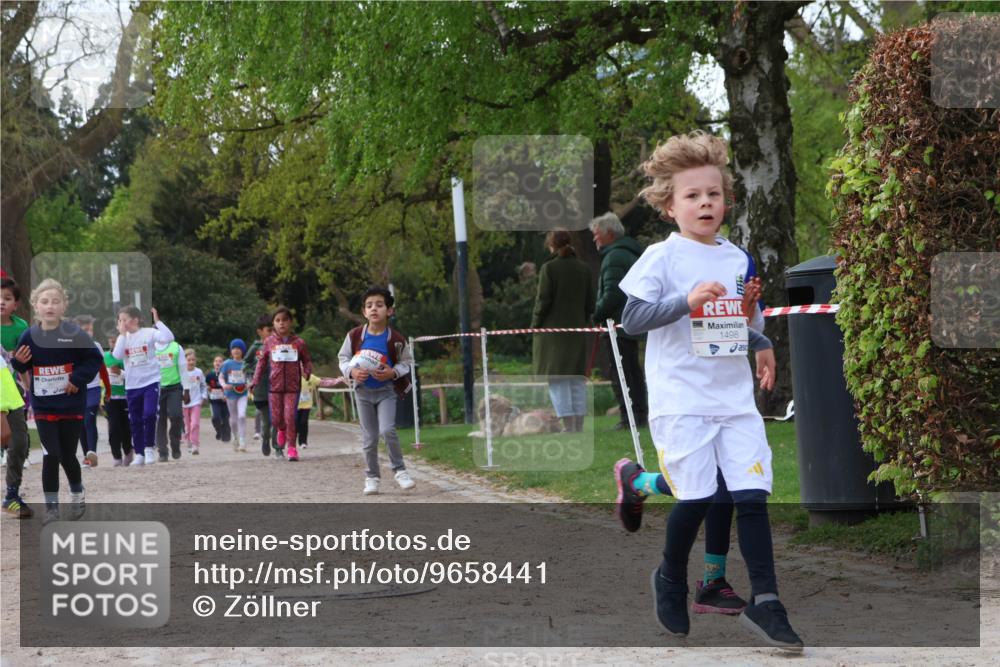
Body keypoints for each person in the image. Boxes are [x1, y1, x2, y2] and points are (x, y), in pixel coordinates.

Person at [613, 131, 802, 651]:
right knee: (695, 497)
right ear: (670, 206)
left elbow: (739, 320)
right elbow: (631, 320)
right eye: (692, 196)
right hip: (682, 399)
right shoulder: (661, 257)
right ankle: (671, 578)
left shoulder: (738, 259)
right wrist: (684, 300)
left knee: (751, 495)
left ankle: (768, 604)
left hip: (734, 398)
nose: (704, 203)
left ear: (726, 202)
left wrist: (760, 340)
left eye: (713, 195)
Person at [11, 279, 102, 522]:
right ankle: (51, 508)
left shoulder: (74, 334)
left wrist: (77, 378)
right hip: (43, 405)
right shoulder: (29, 336)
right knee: (51, 454)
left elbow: (93, 360)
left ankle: (76, 491)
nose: (49, 306)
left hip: (70, 403)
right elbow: (21, 365)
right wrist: (18, 362)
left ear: (64, 306)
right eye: (44, 301)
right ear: (35, 306)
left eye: (55, 301)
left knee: (67, 455)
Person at [337, 286, 416, 495]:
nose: (374, 309)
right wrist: (352, 372)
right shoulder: (354, 336)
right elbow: (343, 359)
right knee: (370, 437)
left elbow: (407, 363)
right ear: (364, 312)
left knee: (387, 430)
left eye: (380, 305)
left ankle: (400, 471)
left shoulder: (396, 339)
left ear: (389, 311)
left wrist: (393, 373)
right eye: (369, 306)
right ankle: (372, 477)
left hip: (387, 391)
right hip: (363, 393)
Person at [531, 229, 595, 432]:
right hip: (576, 331)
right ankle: (579, 425)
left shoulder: (549, 268)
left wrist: (535, 325)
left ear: (551, 245)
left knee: (557, 380)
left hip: (553, 334)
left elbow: (543, 301)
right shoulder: (583, 269)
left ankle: (568, 426)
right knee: (576, 379)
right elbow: (590, 303)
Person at [590, 212, 649, 430]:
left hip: (618, 324)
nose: (595, 240)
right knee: (633, 371)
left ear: (609, 234)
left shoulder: (614, 257)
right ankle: (639, 415)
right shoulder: (631, 253)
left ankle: (629, 417)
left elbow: (612, 293)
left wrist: (596, 313)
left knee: (621, 372)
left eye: (597, 235)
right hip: (633, 321)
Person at [112, 305, 175, 466]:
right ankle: (139, 452)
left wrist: (158, 322)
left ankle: (148, 449)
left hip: (150, 381)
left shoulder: (149, 333)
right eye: (120, 320)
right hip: (132, 385)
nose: (122, 323)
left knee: (149, 414)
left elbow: (169, 338)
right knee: (135, 420)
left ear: (135, 320)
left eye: (124, 319)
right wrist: (122, 335)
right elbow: (117, 356)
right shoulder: (123, 338)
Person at [250, 307, 312, 462]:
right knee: (276, 420)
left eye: (284, 320)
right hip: (274, 387)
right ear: (273, 324)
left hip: (292, 387)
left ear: (290, 322)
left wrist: (307, 371)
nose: (281, 324)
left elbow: (307, 361)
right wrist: (255, 380)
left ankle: (292, 448)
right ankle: (281, 429)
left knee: (290, 416)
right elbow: (261, 363)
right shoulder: (269, 342)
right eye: (277, 321)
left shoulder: (299, 342)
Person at [1, 277, 33, 517]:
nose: (1, 303)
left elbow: (24, 363)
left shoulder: (22, 328)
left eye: (7, 299)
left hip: (10, 392)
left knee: (20, 441)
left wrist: (28, 387)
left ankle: (11, 494)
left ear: (16, 303)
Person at [73, 315, 111, 468]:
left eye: (91, 329)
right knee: (81, 423)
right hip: (77, 390)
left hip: (93, 388)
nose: (89, 333)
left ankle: (92, 452)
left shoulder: (96, 346)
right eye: (85, 330)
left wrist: (108, 389)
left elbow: (103, 370)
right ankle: (86, 457)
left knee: (89, 419)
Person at [154, 335, 190, 461]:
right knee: (160, 420)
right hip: (156, 387)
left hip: (175, 387)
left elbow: (183, 368)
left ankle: (175, 444)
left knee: (176, 415)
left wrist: (187, 390)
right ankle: (162, 451)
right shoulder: (150, 347)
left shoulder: (176, 347)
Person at [244, 314, 276, 456]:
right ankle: (265, 438)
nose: (272, 333)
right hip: (261, 390)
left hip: (277, 388)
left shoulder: (279, 346)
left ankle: (278, 447)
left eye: (273, 330)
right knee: (267, 421)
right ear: (260, 331)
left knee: (277, 420)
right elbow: (245, 363)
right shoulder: (255, 348)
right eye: (269, 330)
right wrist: (254, 371)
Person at [104, 335, 133, 466]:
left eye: (116, 341)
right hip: (110, 398)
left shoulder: (126, 357)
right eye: (112, 341)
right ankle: (116, 456)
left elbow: (134, 375)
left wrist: (120, 371)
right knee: (113, 427)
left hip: (125, 398)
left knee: (125, 427)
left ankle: (128, 451)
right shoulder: (105, 357)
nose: (114, 344)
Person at [220, 339, 249, 451]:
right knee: (233, 419)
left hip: (243, 393)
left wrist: (249, 384)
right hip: (230, 394)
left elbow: (250, 377)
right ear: (231, 351)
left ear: (242, 351)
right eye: (234, 348)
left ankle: (242, 440)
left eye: (238, 348)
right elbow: (221, 377)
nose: (236, 350)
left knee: (242, 415)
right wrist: (224, 385)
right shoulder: (227, 363)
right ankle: (235, 436)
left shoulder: (246, 364)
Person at [182, 349, 207, 455]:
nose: (191, 362)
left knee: (195, 424)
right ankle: (189, 442)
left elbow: (203, 385)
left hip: (196, 402)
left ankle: (195, 445)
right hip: (183, 403)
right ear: (184, 360)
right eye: (189, 360)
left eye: (193, 360)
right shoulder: (181, 372)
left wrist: (203, 396)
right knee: (187, 426)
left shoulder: (199, 372)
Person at [205, 355, 231, 443]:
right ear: (213, 363)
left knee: (225, 418)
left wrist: (226, 395)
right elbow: (205, 385)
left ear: (223, 363)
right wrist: (208, 388)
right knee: (215, 417)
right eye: (216, 361)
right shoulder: (210, 375)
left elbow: (231, 386)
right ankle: (219, 430)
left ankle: (226, 436)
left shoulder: (227, 374)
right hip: (214, 401)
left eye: (220, 361)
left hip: (225, 401)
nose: (218, 363)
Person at [296, 373, 322, 449]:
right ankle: (294, 436)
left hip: (306, 405)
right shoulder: (293, 376)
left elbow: (322, 381)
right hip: (295, 405)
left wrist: (337, 380)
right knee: (296, 423)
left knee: (304, 422)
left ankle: (303, 442)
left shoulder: (311, 377)